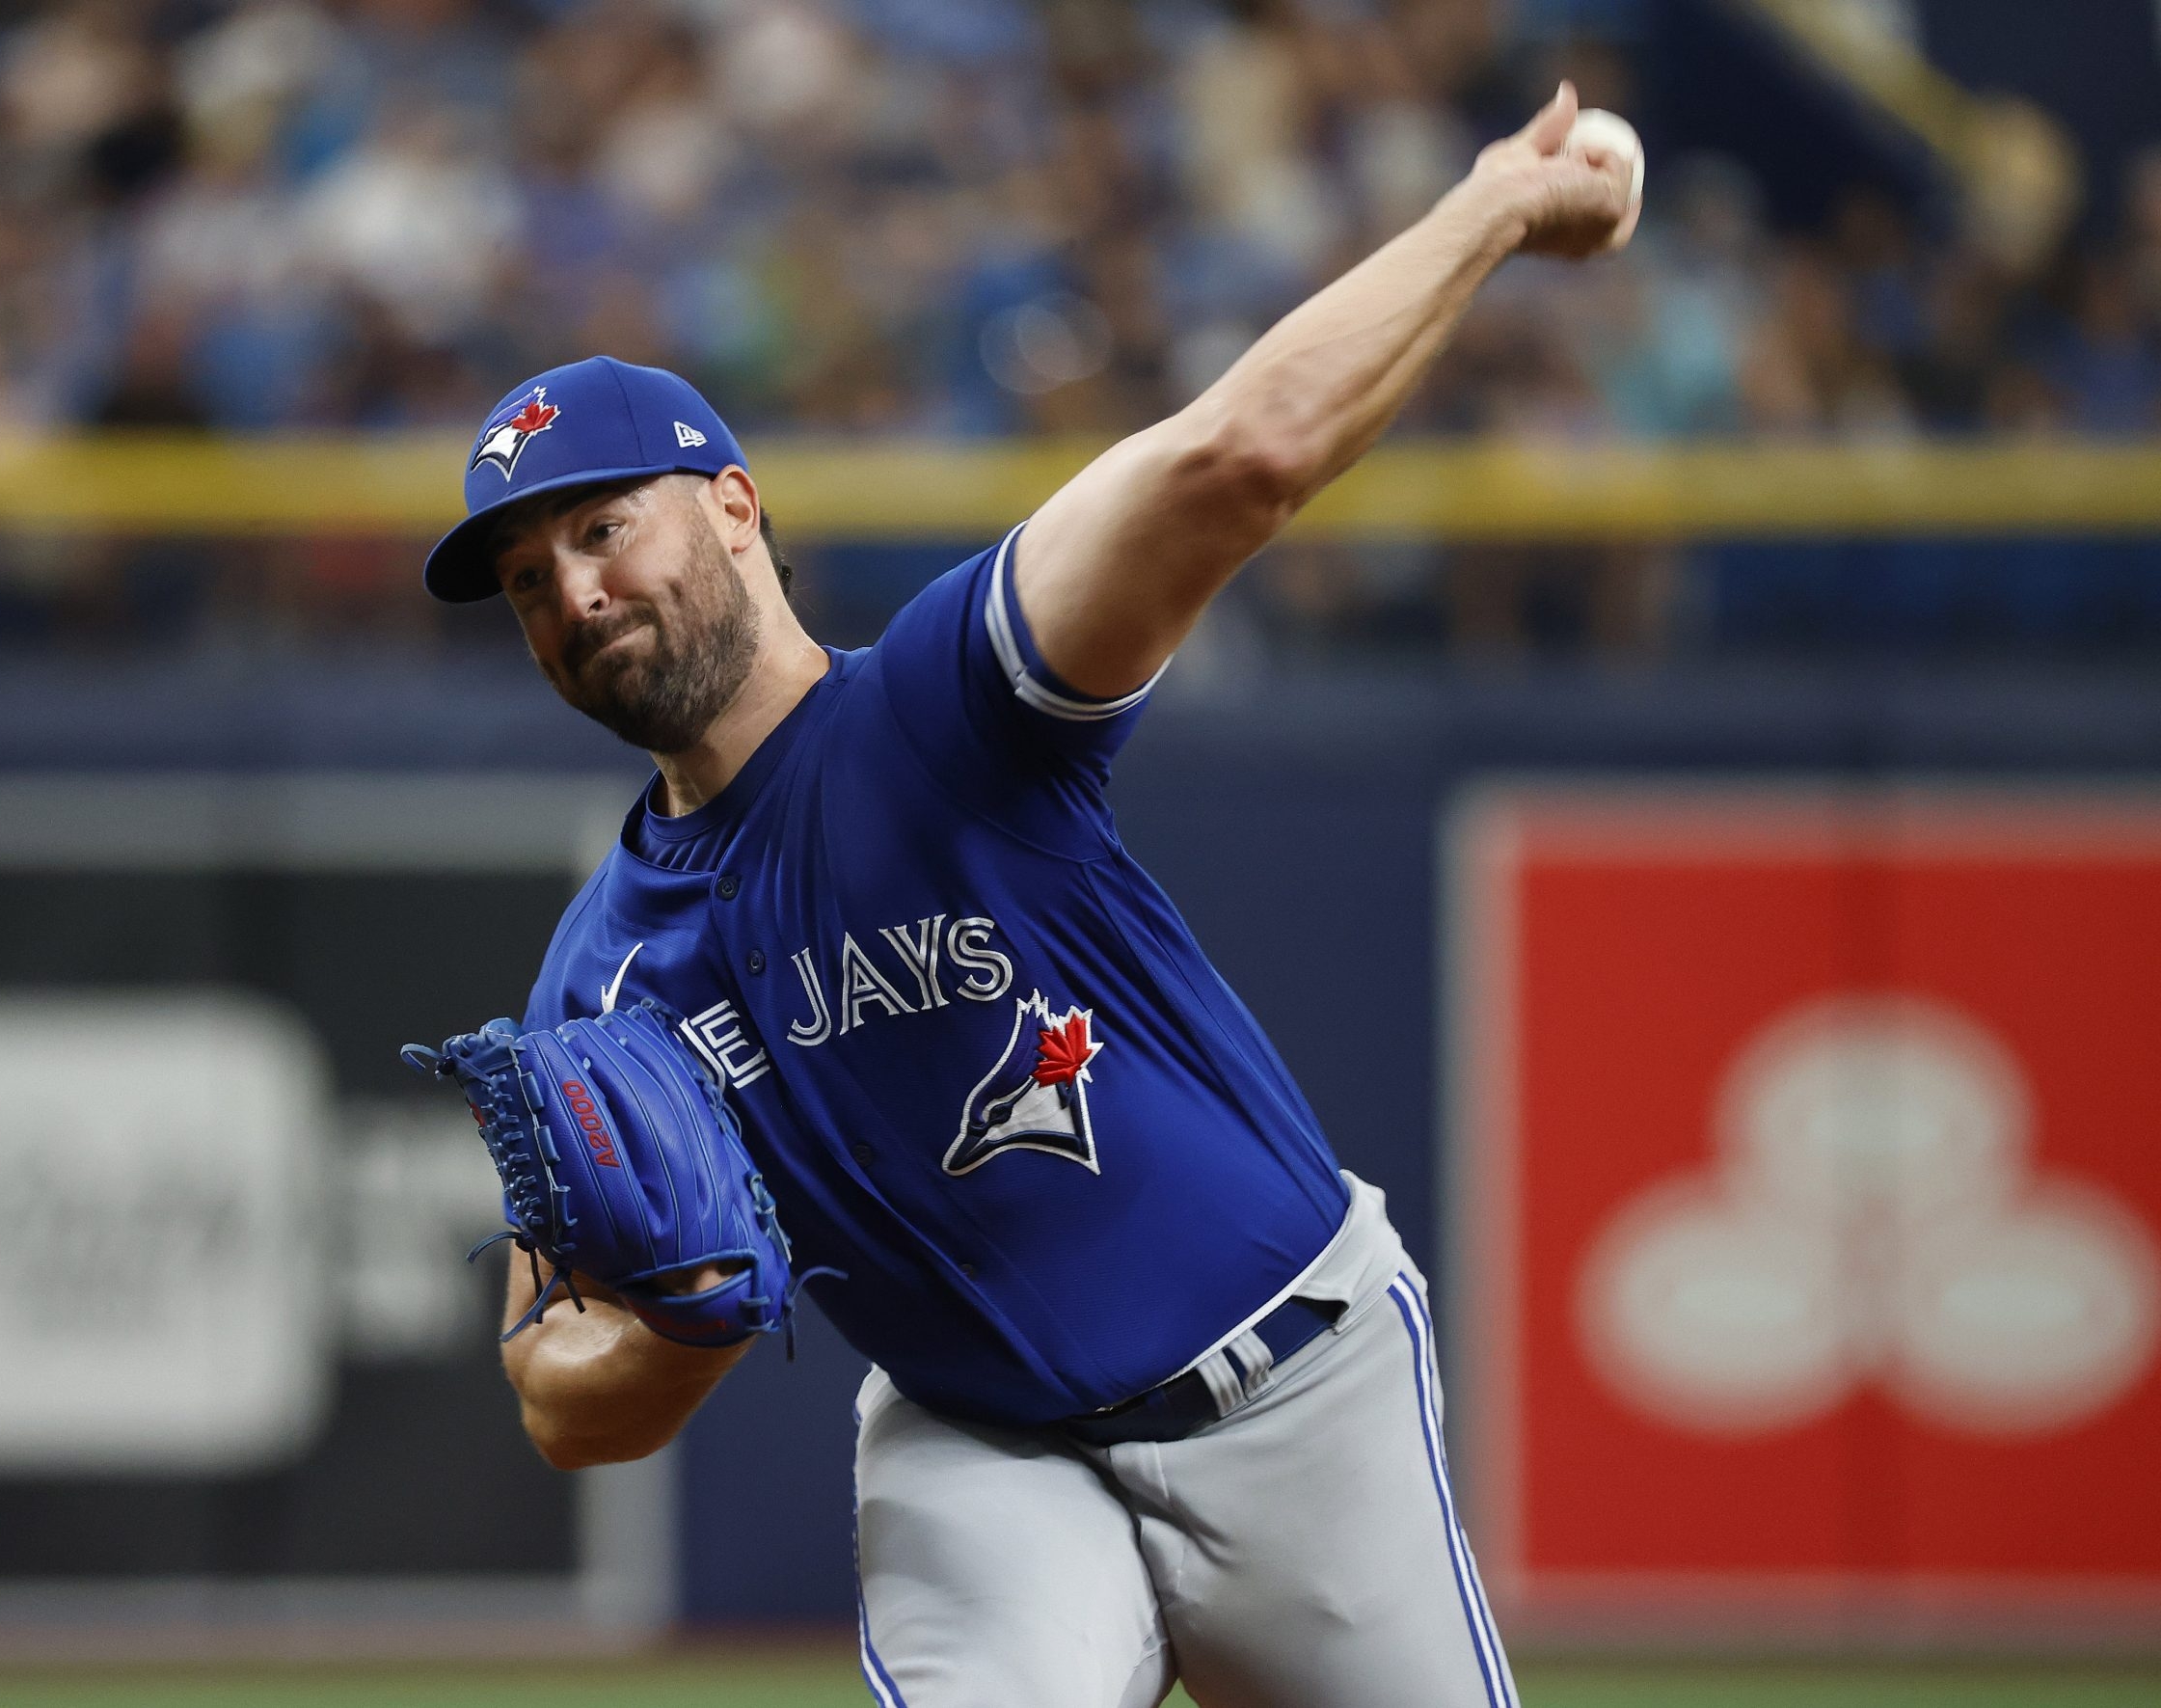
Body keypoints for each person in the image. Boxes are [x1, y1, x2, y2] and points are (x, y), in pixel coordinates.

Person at [417, 85, 1635, 1708]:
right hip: (983, 1444)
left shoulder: (943, 704)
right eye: (524, 582)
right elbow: (556, 1392)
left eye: (599, 527)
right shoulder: (603, 976)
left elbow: (1244, 456)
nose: (571, 592)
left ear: (730, 506)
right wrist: (677, 1331)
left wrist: (1488, 206)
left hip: (1292, 1389)